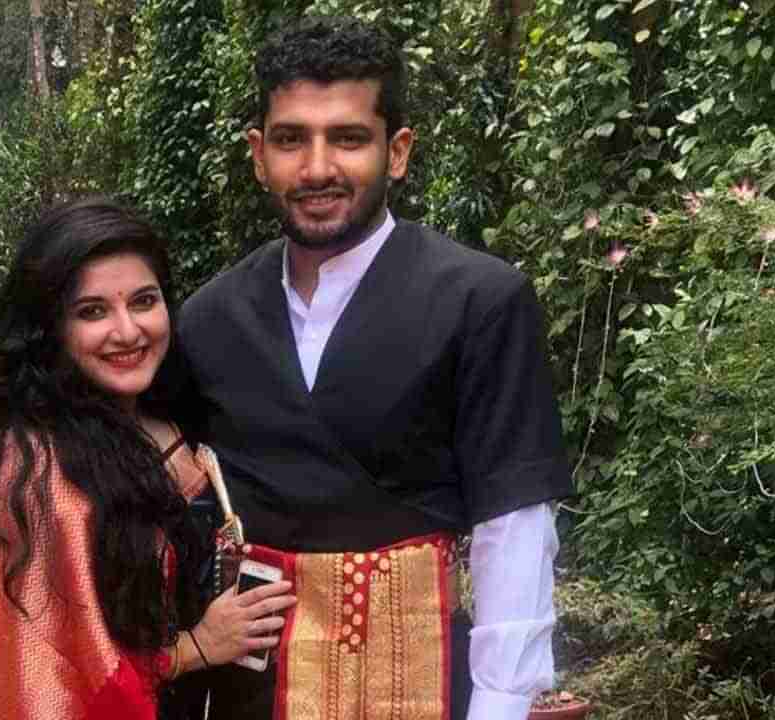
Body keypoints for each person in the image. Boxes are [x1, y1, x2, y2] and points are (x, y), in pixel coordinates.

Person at [177, 17, 573, 720]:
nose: (317, 168)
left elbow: (512, 525)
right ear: (258, 155)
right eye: (291, 139)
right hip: (250, 694)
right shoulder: (209, 318)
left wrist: (501, 704)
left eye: (348, 138)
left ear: (398, 152)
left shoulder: (479, 301)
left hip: (423, 687)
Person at [0, 198, 296, 720]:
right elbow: (44, 675)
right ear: (50, 328)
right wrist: (196, 647)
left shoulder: (178, 417)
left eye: (143, 301)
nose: (128, 331)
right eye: (92, 311)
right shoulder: (35, 471)